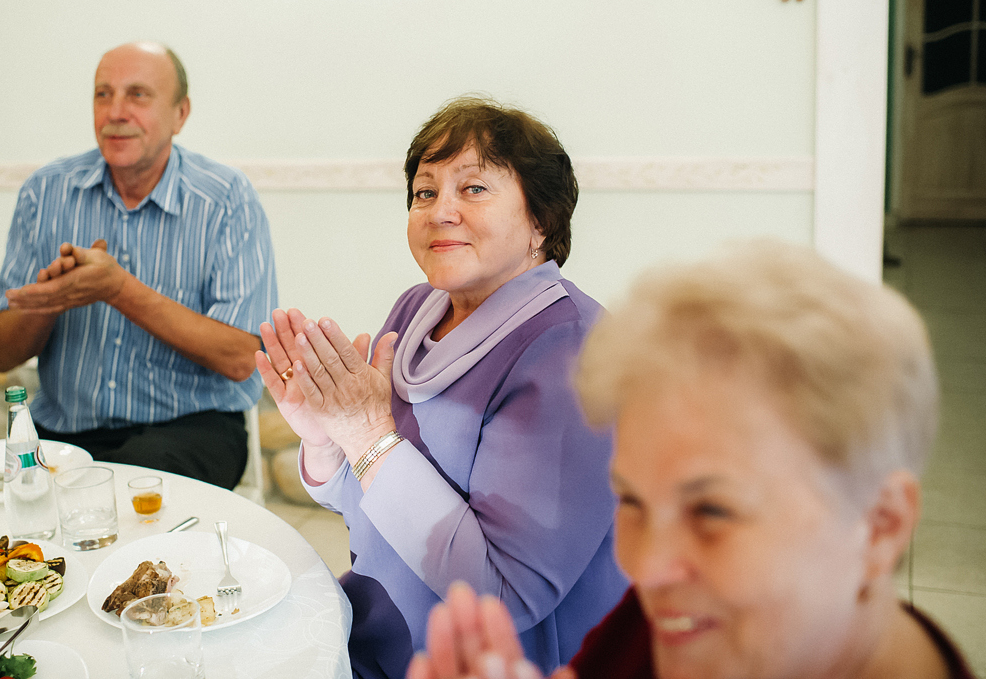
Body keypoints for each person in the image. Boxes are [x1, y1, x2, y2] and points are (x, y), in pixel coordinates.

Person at [407, 241, 977, 679]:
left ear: (880, 526)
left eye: (711, 511)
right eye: (631, 500)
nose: (646, 569)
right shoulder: (665, 624)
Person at [256, 97, 628, 679]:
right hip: (375, 634)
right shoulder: (416, 309)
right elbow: (370, 505)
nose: (439, 211)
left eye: (473, 188)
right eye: (425, 192)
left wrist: (368, 434)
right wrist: (329, 443)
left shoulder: (570, 348)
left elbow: (505, 595)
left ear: (542, 221)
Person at [0, 42, 276, 489]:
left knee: (127, 491)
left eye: (138, 94)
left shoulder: (226, 198)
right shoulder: (45, 193)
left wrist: (116, 289)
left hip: (191, 427)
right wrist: (52, 299)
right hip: (64, 432)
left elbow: (240, 358)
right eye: (103, 94)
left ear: (180, 114)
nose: (116, 111)